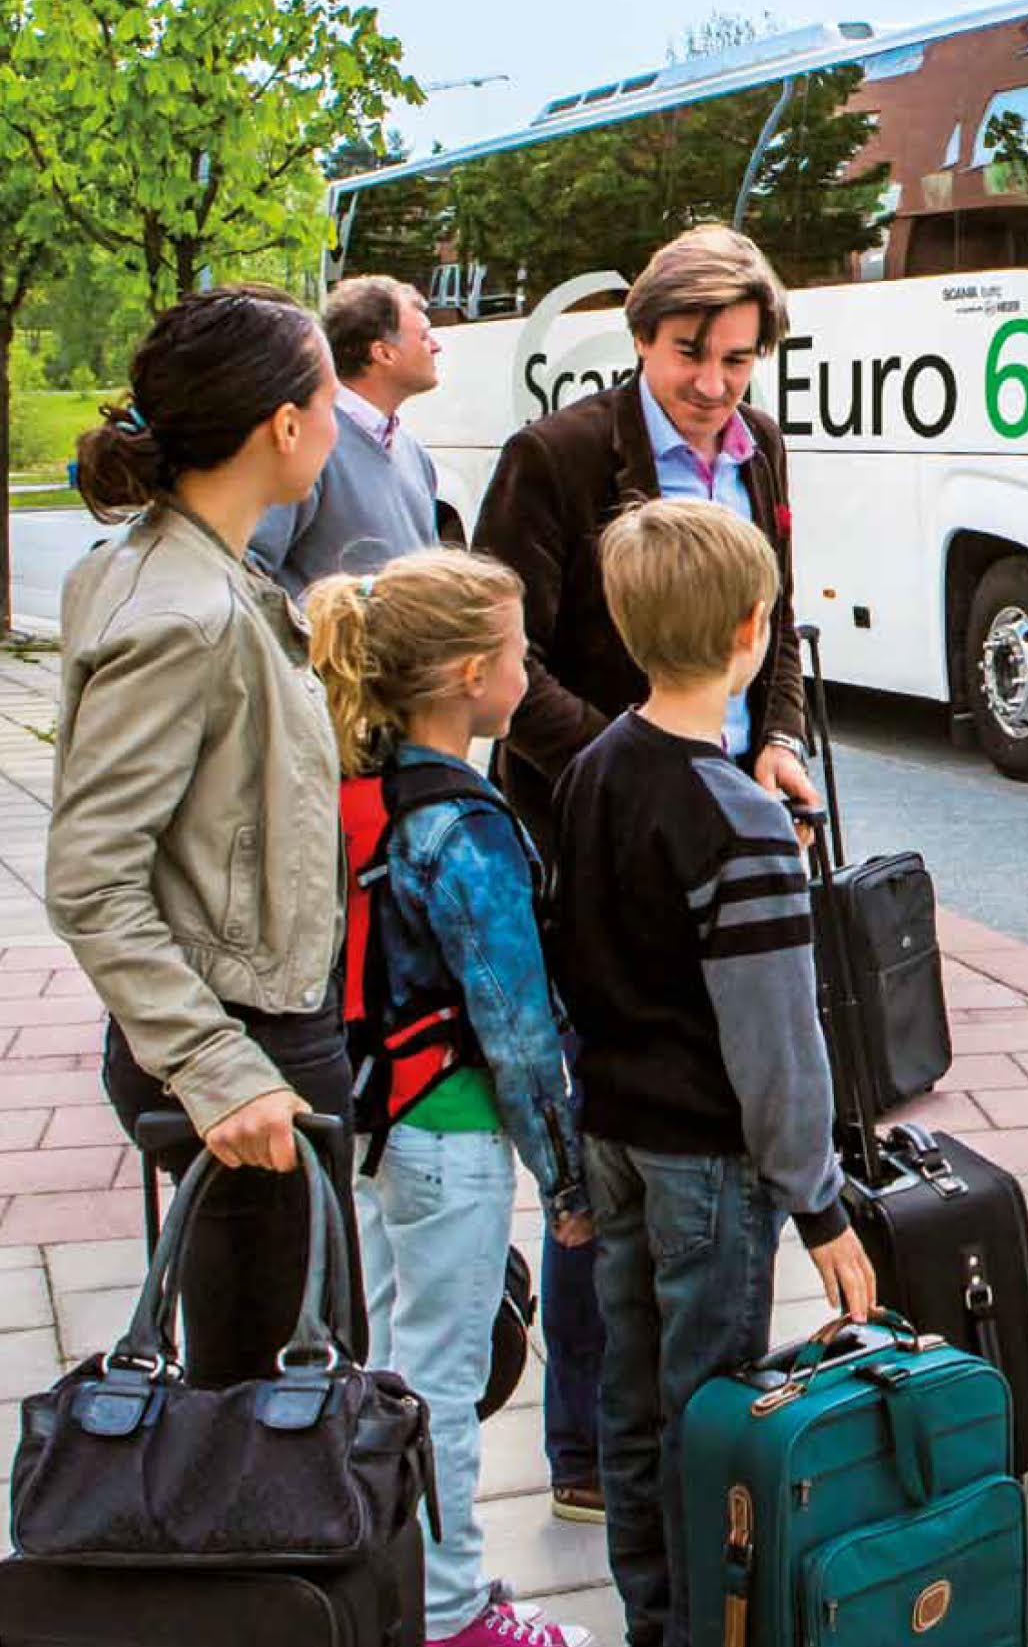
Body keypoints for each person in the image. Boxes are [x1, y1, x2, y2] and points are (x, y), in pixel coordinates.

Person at [473, 223, 819, 1521]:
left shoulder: (760, 447)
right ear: (638, 339)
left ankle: (667, 1445)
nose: (715, 384)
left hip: (725, 827)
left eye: (738, 358)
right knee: (606, 1129)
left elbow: (777, 621)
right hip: (597, 838)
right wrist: (638, 774)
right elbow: (507, 665)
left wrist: (775, 741)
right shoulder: (559, 457)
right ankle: (583, 1447)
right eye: (690, 354)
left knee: (708, 1117)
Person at [552, 498, 874, 1647]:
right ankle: (704, 1628)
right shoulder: (737, 819)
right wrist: (820, 1205)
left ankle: (652, 1618)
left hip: (613, 1133)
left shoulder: (593, 769)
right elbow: (774, 1041)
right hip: (707, 1162)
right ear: (751, 629)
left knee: (632, 1402)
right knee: (707, 1418)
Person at [48, 286, 354, 1387]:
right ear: (284, 424)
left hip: (251, 1026)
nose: (339, 424)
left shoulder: (184, 568)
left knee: (285, 1388)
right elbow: (90, 880)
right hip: (244, 1045)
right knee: (272, 1412)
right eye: (331, 400)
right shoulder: (188, 612)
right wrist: (219, 1069)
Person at [305, 549, 596, 1647]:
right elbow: (515, 1028)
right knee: (444, 1386)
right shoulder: (465, 826)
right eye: (520, 652)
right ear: (474, 675)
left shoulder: (355, 791)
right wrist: (563, 1178)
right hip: (452, 1131)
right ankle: (454, 1610)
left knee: (385, 1371)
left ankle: (390, 1587)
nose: (529, 670)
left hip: (370, 1123)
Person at [251, 275, 444, 593]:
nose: (436, 346)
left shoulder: (414, 454)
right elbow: (251, 568)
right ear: (383, 353)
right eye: (424, 336)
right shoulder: (306, 446)